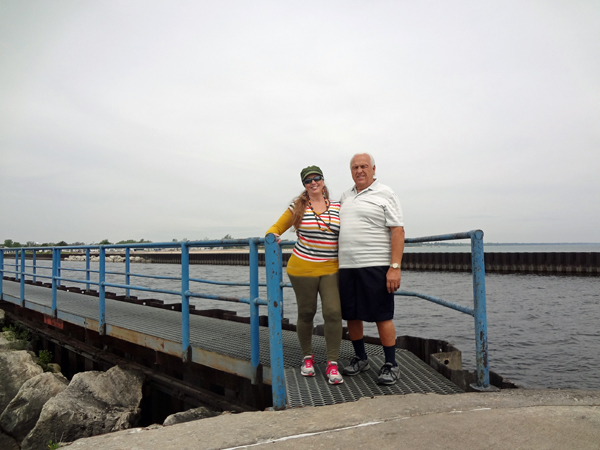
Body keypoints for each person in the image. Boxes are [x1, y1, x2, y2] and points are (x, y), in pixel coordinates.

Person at [266, 165, 344, 385]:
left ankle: (332, 363)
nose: (313, 182)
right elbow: (273, 229)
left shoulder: (338, 207)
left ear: (323, 180)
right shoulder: (298, 207)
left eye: (316, 178)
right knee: (307, 312)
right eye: (308, 180)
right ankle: (307, 358)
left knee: (333, 312)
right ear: (304, 185)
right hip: (302, 268)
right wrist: (274, 237)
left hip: (330, 268)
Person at [338, 153, 405, 385]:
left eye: (364, 166)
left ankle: (390, 364)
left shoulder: (386, 193)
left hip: (375, 264)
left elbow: (397, 230)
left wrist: (394, 267)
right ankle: (361, 358)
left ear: (373, 169)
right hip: (346, 266)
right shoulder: (345, 196)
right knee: (352, 315)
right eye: (355, 167)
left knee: (381, 315)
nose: (359, 170)